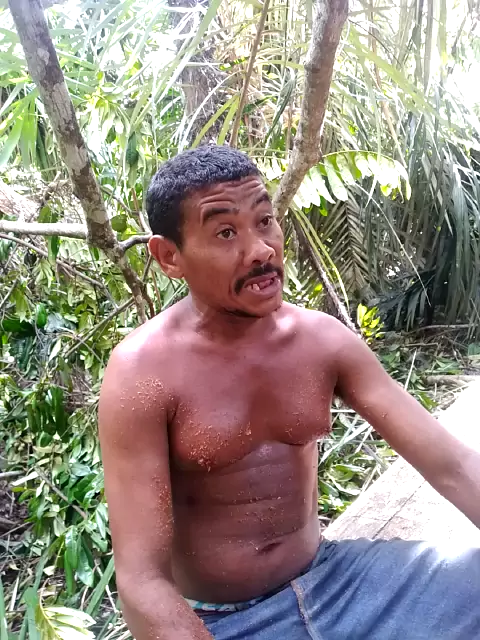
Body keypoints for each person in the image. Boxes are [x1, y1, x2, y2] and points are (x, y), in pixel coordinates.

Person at [98, 145, 480, 640]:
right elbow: (142, 580)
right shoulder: (141, 375)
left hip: (339, 581)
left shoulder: (321, 342)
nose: (261, 250)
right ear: (170, 257)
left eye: (265, 221)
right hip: (221, 621)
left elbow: (453, 466)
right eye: (226, 232)